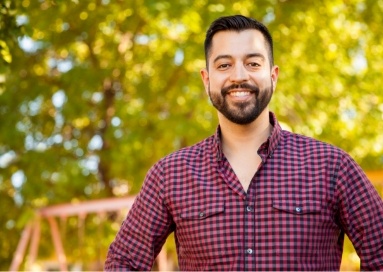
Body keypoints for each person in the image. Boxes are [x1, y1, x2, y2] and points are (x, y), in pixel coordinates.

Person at [105, 15, 383, 271]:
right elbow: (123, 262)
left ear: (273, 76)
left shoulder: (332, 166)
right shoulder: (170, 174)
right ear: (207, 79)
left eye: (253, 63)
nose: (239, 76)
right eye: (224, 65)